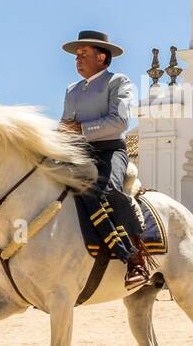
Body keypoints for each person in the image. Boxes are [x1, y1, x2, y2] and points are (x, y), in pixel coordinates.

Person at [59, 29, 149, 285]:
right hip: (78, 151)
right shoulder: (71, 89)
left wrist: (80, 129)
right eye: (76, 55)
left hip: (110, 150)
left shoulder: (118, 82)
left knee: (108, 191)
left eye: (83, 54)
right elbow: (65, 124)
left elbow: (120, 121)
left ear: (102, 57)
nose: (77, 59)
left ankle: (135, 259)